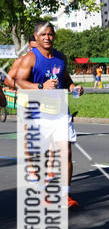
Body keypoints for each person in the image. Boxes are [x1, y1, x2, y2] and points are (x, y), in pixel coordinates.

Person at [14, 21, 83, 209]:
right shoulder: (30, 58)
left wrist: (73, 87)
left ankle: (65, 196)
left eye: (50, 34)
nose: (47, 38)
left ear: (54, 36)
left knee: (66, 153)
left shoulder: (61, 57)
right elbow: (18, 82)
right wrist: (41, 86)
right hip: (38, 112)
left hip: (60, 111)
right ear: (36, 37)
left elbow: (65, 78)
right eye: (43, 35)